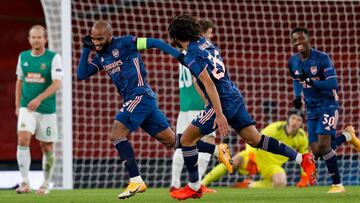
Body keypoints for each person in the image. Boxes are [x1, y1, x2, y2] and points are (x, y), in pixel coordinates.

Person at [76, 20, 232, 200]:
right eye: (93, 39)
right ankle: (216, 150)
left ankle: (136, 180)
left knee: (116, 133)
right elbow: (82, 74)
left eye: (100, 39)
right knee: (172, 141)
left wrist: (180, 57)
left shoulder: (125, 43)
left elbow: (155, 43)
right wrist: (86, 48)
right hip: (140, 100)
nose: (96, 42)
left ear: (110, 36)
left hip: (140, 95)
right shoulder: (101, 56)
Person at [167, 14, 316, 200]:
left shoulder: (192, 55)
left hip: (220, 101)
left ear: (178, 38)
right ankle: (302, 159)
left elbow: (208, 83)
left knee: (187, 139)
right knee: (254, 139)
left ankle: (194, 186)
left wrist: (218, 113)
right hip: (233, 94)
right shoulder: (206, 44)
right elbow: (201, 80)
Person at [288, 27, 360, 193]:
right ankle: (348, 136)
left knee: (324, 145)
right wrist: (297, 96)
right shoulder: (293, 61)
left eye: (301, 39)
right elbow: (296, 79)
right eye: (295, 40)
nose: (298, 42)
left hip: (328, 104)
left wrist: (311, 82)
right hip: (311, 108)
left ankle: (337, 185)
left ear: (308, 39)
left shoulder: (322, 58)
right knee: (317, 151)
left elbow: (332, 84)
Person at [202, 109, 311, 188]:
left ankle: (250, 185)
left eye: (298, 120)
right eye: (293, 118)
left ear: (301, 123)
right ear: (288, 119)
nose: (295, 122)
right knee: (232, 161)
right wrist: (252, 156)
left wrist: (304, 177)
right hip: (257, 155)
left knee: (281, 182)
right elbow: (254, 140)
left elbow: (303, 158)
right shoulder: (275, 128)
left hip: (271, 165)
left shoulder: (302, 137)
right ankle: (203, 184)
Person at [170, 19, 217, 194]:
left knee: (183, 143)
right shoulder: (197, 52)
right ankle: (198, 183)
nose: (211, 36)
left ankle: (174, 183)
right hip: (199, 104)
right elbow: (198, 80)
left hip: (185, 105)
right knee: (208, 140)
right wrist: (208, 101)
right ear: (201, 33)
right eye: (210, 33)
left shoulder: (183, 52)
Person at [15, 25, 63, 195]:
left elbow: (57, 83)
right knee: (23, 139)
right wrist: (17, 105)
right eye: (33, 37)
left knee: (47, 147)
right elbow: (20, 81)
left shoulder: (53, 58)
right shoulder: (23, 57)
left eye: (39, 37)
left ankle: (45, 183)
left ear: (45, 39)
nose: (36, 40)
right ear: (29, 39)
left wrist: (39, 99)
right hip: (26, 107)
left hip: (46, 110)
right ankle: (25, 182)